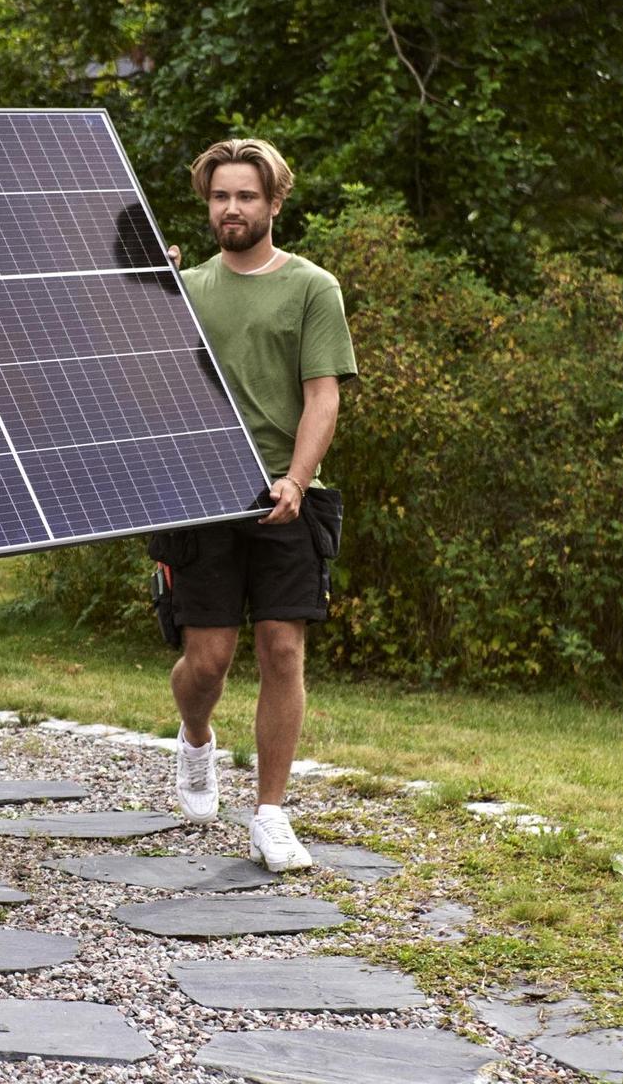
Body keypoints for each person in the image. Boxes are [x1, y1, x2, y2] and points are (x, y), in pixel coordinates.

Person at [160, 138, 355, 871]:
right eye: (220, 197)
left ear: (275, 203)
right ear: (207, 206)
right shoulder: (186, 288)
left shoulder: (312, 287)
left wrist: (297, 482)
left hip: (283, 494)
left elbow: (322, 397)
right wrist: (147, 295)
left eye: (246, 196)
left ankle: (270, 812)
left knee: (282, 648)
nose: (231, 208)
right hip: (201, 496)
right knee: (206, 663)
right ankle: (196, 738)